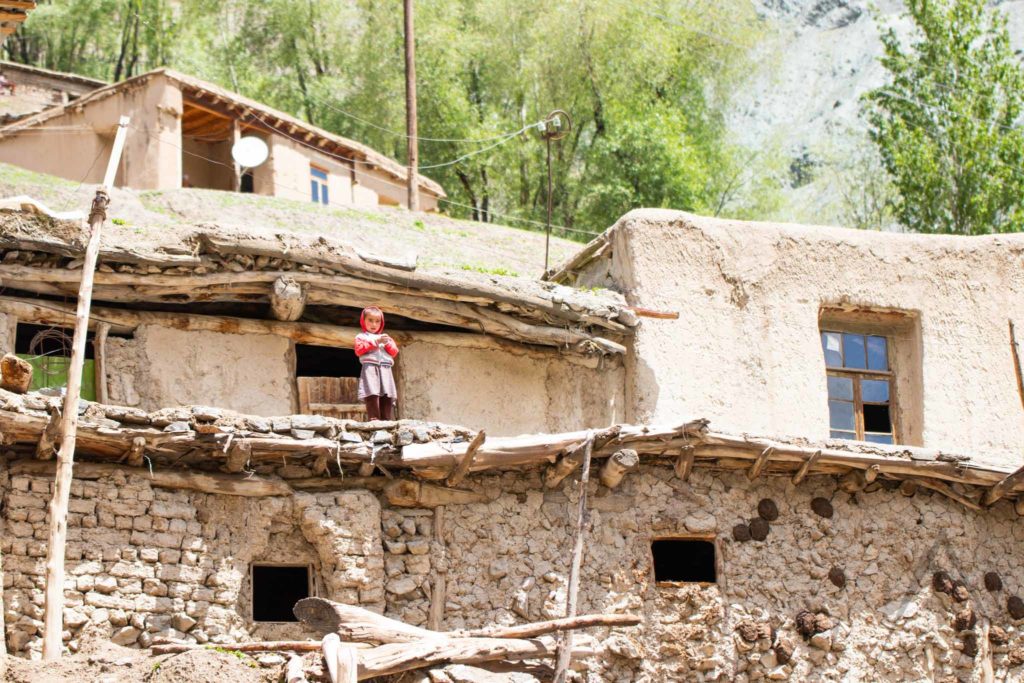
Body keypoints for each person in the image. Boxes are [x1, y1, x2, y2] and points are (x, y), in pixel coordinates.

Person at [354, 306, 398, 420]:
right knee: (372, 392)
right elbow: (359, 350)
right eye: (370, 320)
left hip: (386, 368)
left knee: (387, 392)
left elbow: (394, 352)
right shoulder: (361, 337)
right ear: (363, 321)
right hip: (370, 367)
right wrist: (376, 342)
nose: (374, 324)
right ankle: (374, 418)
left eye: (377, 321)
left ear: (381, 323)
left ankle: (386, 418)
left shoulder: (386, 337)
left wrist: (387, 343)